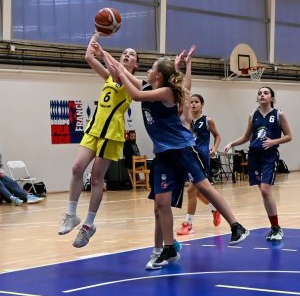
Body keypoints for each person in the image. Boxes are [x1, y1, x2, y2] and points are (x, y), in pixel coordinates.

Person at [101, 43, 249, 269]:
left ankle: (236, 226)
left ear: (158, 75)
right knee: (161, 203)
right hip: (163, 154)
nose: (147, 71)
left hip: (182, 147)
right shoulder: (148, 85)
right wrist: (104, 54)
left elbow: (137, 96)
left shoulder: (166, 92)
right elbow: (124, 76)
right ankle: (168, 248)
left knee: (204, 186)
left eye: (151, 68)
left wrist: (120, 69)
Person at [59, 32, 141, 249]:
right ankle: (71, 214)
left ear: (136, 64)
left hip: (112, 133)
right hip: (94, 128)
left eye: (131, 54)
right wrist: (95, 37)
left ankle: (89, 224)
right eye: (124, 52)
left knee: (97, 179)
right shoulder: (109, 76)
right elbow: (88, 57)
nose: (126, 55)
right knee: (77, 168)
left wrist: (103, 52)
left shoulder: (134, 82)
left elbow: (118, 72)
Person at [225, 86, 293, 242]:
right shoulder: (252, 115)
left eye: (266, 93)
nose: (262, 95)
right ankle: (274, 227)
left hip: (269, 155)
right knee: (263, 193)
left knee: (265, 191)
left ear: (272, 98)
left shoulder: (279, 114)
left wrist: (274, 141)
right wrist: (232, 143)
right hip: (254, 155)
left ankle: (276, 228)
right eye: (260, 93)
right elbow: (246, 136)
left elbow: (289, 136)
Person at [178, 94, 222, 236]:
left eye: (196, 102)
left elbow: (217, 136)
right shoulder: (185, 120)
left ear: (202, 104)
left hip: (201, 157)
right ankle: (215, 208)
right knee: (196, 192)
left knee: (191, 189)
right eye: (191, 102)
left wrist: (214, 148)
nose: (193, 104)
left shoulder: (207, 120)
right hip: (188, 157)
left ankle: (189, 224)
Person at [0, 135, 43, 206]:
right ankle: (14, 199)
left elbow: (1, 166)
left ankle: (28, 196)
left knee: (12, 182)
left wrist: (1, 172)